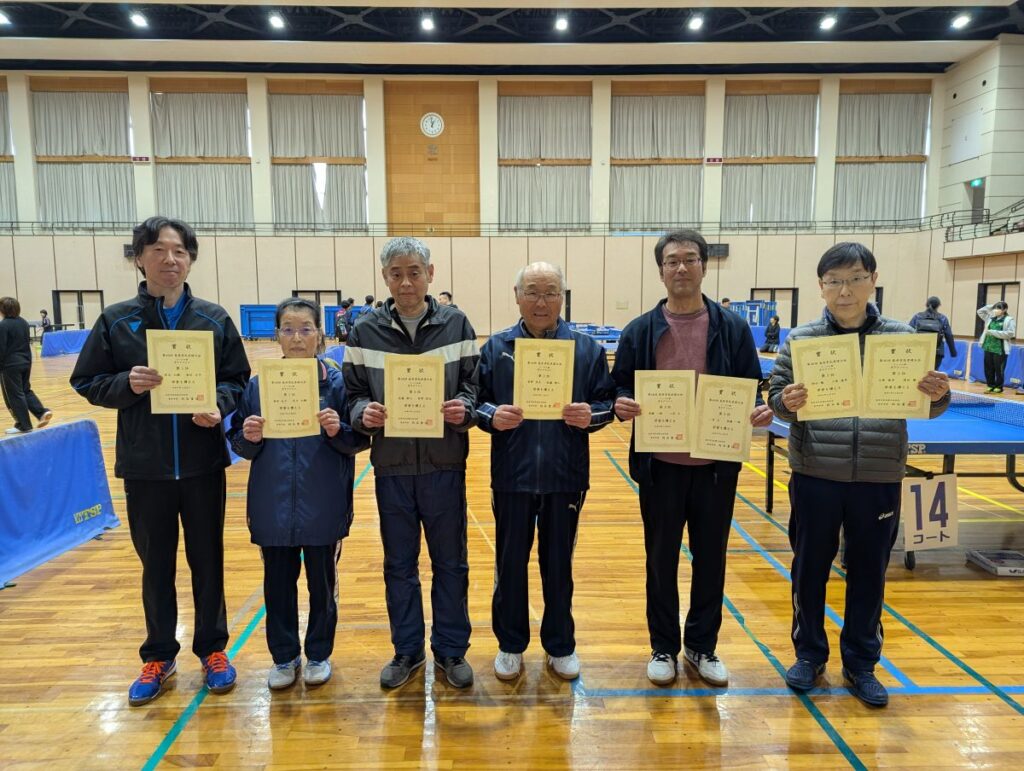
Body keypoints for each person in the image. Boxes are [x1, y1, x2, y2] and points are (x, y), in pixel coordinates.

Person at [69, 216, 250, 706]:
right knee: (155, 566)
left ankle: (213, 649)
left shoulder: (213, 319)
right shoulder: (117, 321)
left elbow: (237, 380)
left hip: (202, 464)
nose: (170, 259)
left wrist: (219, 404)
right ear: (139, 258)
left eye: (180, 252)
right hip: (145, 467)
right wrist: (126, 384)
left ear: (190, 260)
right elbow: (86, 381)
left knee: (208, 561)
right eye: (159, 250)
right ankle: (158, 654)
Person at [769, 242, 950, 707]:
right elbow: (775, 397)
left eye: (854, 279)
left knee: (869, 573)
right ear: (821, 287)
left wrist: (938, 394)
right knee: (809, 569)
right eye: (834, 281)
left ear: (873, 280)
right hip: (815, 473)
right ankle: (809, 654)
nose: (844, 290)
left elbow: (929, 405)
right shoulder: (801, 339)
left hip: (878, 474)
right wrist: (783, 401)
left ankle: (862, 663)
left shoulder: (903, 338)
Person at [610, 229, 774, 688]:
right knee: (660, 561)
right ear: (660, 270)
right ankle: (663, 646)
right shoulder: (639, 330)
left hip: (716, 468)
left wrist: (758, 410)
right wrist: (622, 403)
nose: (681, 267)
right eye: (672, 261)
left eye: (689, 259)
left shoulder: (732, 328)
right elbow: (618, 386)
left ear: (704, 265)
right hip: (660, 468)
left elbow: (750, 387)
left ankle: (702, 646)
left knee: (711, 560)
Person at [343, 236, 480, 690]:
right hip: (392, 467)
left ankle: (451, 649)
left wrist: (464, 407)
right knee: (399, 565)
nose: (406, 282)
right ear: (385, 277)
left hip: (445, 463)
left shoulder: (457, 324)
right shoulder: (364, 331)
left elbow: (474, 385)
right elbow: (353, 394)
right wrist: (363, 413)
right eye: (396, 274)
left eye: (414, 272)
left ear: (430, 274)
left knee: (451, 564)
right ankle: (407, 649)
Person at [477, 262, 615, 682]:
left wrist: (590, 415)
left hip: (565, 476)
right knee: (510, 564)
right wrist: (493, 415)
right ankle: (510, 644)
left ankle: (560, 645)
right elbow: (475, 401)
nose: (542, 302)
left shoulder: (586, 350)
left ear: (562, 298)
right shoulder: (497, 347)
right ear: (517, 296)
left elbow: (606, 404)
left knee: (559, 567)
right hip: (512, 476)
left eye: (551, 292)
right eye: (533, 292)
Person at [227, 298, 369, 690]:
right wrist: (249, 436)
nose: (297, 338)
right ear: (277, 335)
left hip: (323, 504)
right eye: (288, 329)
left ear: (319, 334)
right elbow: (239, 443)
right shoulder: (258, 386)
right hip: (271, 506)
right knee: (277, 586)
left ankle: (319, 653)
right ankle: (284, 656)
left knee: (322, 586)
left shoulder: (337, 383)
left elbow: (360, 439)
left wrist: (338, 429)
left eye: (305, 329)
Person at [0, 297, 53, 434]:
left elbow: (1, 348)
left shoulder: (3, 325)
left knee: (14, 394)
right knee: (25, 390)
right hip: (25, 361)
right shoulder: (23, 322)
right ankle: (41, 412)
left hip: (10, 365)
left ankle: (23, 425)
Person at [977, 301, 1015, 394]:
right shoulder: (990, 318)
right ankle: (990, 385)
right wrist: (992, 306)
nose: (996, 310)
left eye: (999, 308)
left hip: (1000, 349)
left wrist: (993, 332)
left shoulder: (1009, 320)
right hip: (988, 347)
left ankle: (999, 386)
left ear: (1005, 310)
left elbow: (1010, 333)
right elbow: (980, 311)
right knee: (988, 368)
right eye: (995, 308)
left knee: (999, 369)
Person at [909, 297, 956, 369]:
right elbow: (949, 335)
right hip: (937, 351)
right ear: (939, 305)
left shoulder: (917, 316)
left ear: (926, 304)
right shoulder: (942, 318)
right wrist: (953, 352)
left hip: (919, 350)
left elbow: (909, 331)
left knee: (918, 372)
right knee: (933, 373)